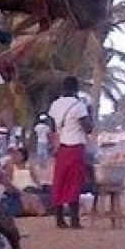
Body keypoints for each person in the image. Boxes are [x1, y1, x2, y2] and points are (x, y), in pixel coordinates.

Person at [47, 76, 93, 229]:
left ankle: (59, 219)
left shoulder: (55, 105)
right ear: (76, 89)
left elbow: (52, 128)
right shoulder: (79, 106)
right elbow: (88, 128)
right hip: (75, 147)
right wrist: (90, 113)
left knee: (59, 182)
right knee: (74, 183)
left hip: (61, 147)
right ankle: (74, 220)